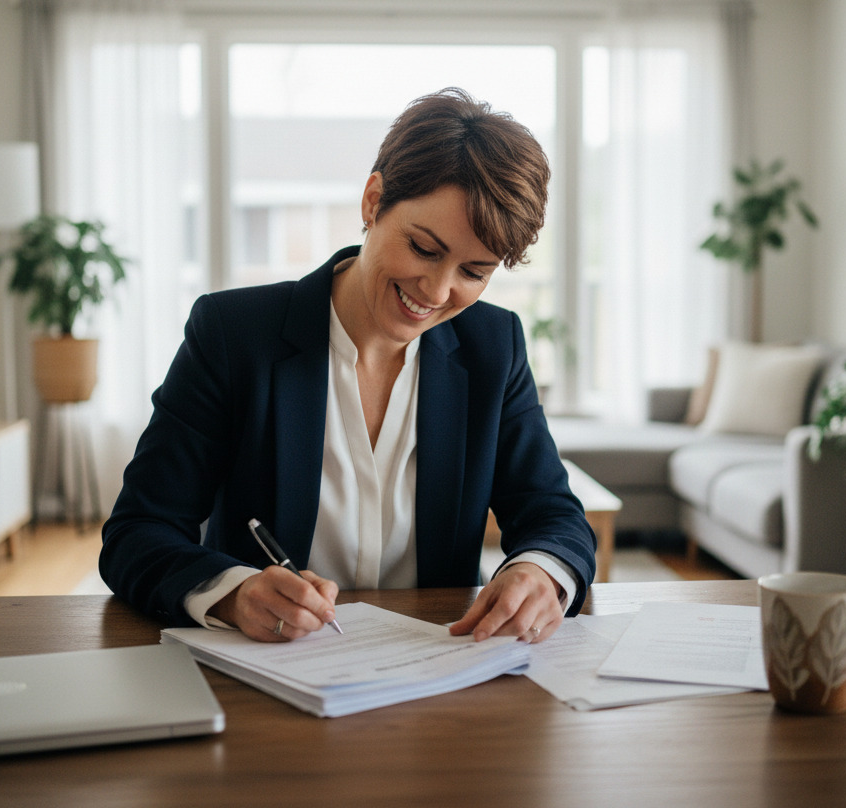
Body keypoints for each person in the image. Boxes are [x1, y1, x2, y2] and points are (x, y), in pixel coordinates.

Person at [100, 87, 596, 644]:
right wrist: (235, 593)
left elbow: (554, 515)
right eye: (425, 248)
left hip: (438, 670)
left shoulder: (494, 344)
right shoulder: (233, 334)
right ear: (372, 201)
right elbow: (137, 533)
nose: (437, 290)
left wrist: (538, 570)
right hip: (267, 672)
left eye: (474, 272)